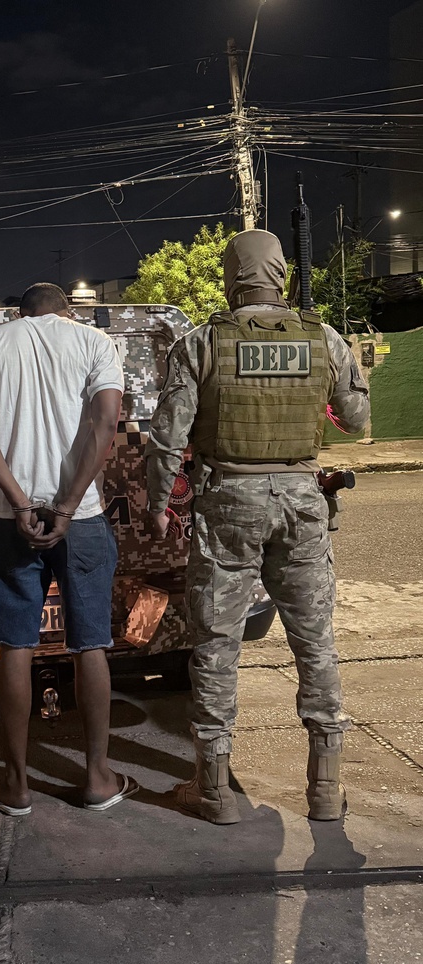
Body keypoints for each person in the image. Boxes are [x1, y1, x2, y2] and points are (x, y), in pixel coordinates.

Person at [145, 229, 370, 825]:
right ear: (281, 277)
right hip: (302, 504)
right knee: (315, 643)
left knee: (216, 645)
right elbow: (355, 418)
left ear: (230, 277)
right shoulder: (323, 338)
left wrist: (157, 505)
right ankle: (325, 789)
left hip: (227, 502)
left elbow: (167, 439)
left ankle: (215, 791)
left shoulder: (202, 343)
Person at [0, 282, 137, 815]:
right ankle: (98, 779)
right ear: (67, 309)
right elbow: (106, 422)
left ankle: (15, 786)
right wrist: (68, 504)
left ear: (21, 312)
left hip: (10, 518)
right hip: (80, 517)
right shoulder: (94, 342)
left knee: (15, 646)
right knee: (90, 645)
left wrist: (18, 502)